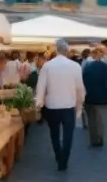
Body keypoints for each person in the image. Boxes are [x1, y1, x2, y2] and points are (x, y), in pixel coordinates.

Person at [35, 39, 85, 171]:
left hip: (52, 106)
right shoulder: (75, 66)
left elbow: (41, 87)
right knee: (69, 135)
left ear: (56, 50)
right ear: (67, 51)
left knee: (54, 133)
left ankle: (58, 155)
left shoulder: (47, 66)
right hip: (69, 106)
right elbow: (80, 88)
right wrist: (80, 106)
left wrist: (39, 102)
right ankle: (64, 159)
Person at [82, 48, 107, 147]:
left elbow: (83, 81)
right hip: (102, 96)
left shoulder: (87, 67)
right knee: (100, 118)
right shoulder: (105, 67)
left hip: (89, 96)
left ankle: (94, 139)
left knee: (91, 119)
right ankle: (100, 137)